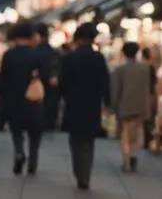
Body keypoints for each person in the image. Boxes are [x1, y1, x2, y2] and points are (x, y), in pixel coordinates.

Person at [59, 23, 110, 190]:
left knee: (75, 140)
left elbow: (63, 82)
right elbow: (105, 82)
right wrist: (107, 102)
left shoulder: (69, 57)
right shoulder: (98, 58)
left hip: (73, 103)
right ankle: (85, 175)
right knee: (88, 140)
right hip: (92, 103)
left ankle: (78, 171)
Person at [0, 22, 47, 176]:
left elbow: (2, 77)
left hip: (13, 99)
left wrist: (0, 95)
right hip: (33, 99)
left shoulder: (9, 55)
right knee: (35, 133)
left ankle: (19, 153)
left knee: (17, 132)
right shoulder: (36, 54)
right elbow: (43, 76)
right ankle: (33, 162)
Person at [110, 42, 152, 173]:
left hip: (124, 106)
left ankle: (127, 162)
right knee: (135, 134)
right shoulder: (145, 69)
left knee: (125, 135)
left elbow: (116, 90)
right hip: (140, 106)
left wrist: (113, 106)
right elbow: (148, 89)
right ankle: (132, 157)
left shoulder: (119, 70)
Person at [34, 23, 62, 131]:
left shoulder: (35, 51)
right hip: (51, 84)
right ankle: (49, 124)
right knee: (51, 105)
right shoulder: (53, 52)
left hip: (37, 83)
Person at [141, 47, 159, 152]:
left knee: (145, 119)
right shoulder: (150, 67)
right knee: (150, 119)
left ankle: (145, 141)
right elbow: (153, 84)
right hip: (149, 95)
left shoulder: (140, 66)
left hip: (141, 95)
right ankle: (149, 140)